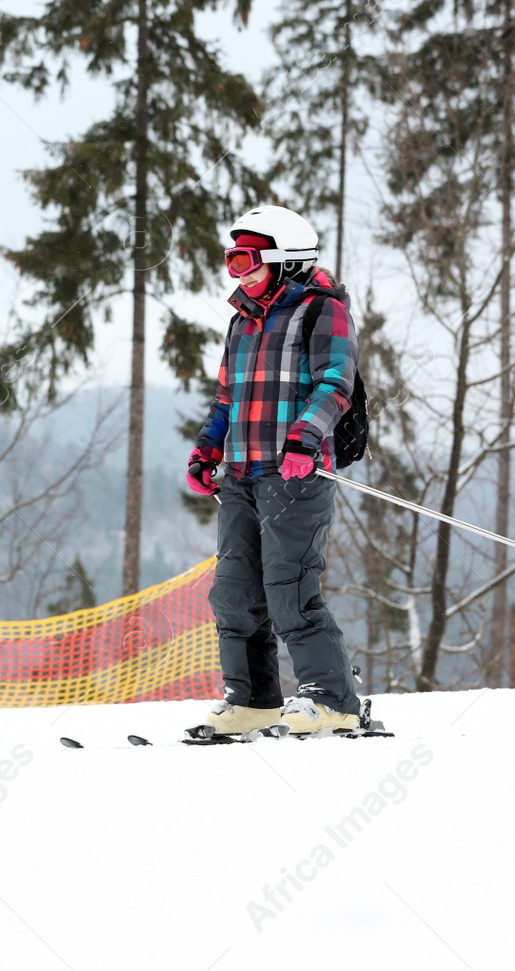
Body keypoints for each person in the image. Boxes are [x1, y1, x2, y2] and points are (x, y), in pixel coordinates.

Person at [186, 205, 362, 736]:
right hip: (240, 475)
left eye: (245, 259)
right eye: (230, 260)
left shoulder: (320, 311)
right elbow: (227, 399)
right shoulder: (242, 320)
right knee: (235, 592)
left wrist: (305, 438)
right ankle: (253, 700)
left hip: (295, 475)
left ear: (286, 261)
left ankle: (333, 702)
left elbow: (336, 383)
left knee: (290, 587)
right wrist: (207, 450)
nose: (236, 271)